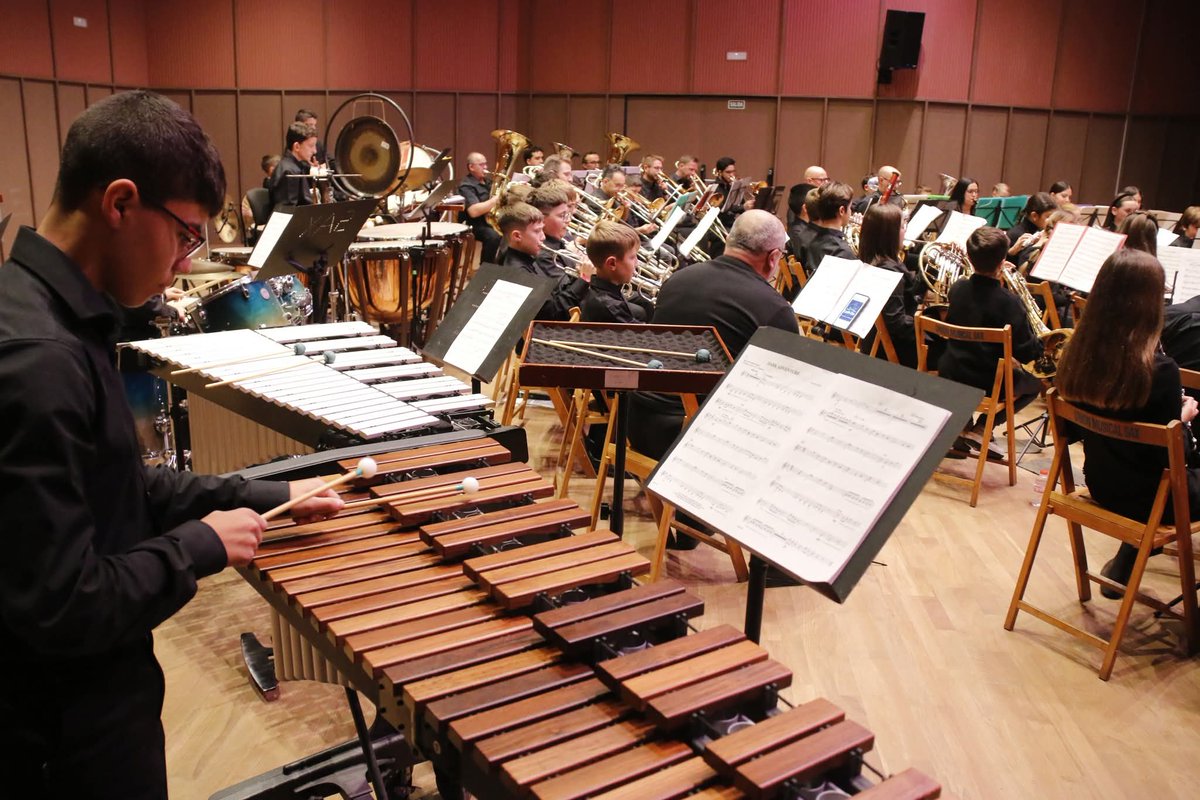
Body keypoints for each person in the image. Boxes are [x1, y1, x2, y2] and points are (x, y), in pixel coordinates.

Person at [0, 90, 344, 798]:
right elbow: (62, 605)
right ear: (121, 204)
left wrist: (268, 492)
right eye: (186, 234)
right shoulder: (39, 360)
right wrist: (198, 547)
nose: (188, 262)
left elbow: (120, 485)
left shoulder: (49, 312)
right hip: (64, 740)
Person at [1055, 248, 1199, 597]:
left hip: (1102, 483)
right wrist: (1181, 420)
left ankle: (1130, 556)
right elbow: (1175, 461)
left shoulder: (1075, 355)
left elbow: (1073, 432)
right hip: (1154, 500)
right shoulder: (1161, 370)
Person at [628, 210, 799, 462]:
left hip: (640, 421)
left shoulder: (677, 279)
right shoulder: (774, 308)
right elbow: (785, 389)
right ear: (773, 257)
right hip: (701, 440)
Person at [935, 226, 1043, 450]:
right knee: (1035, 383)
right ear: (1003, 259)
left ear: (970, 258)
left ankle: (963, 426)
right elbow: (1027, 353)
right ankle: (983, 427)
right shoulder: (1010, 302)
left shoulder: (958, 289)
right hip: (988, 383)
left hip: (952, 371)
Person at [497, 199, 589, 320]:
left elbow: (555, 295)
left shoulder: (527, 258)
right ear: (517, 236)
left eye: (542, 229)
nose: (543, 237)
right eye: (537, 231)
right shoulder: (519, 272)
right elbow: (553, 312)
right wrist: (584, 279)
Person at [856, 203, 917, 368]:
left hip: (873, 343)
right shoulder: (888, 272)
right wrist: (926, 323)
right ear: (890, 234)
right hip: (893, 352)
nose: (905, 231)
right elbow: (897, 324)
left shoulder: (871, 261)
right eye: (903, 227)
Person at [579, 221, 646, 323]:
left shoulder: (608, 291)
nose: (637, 263)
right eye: (632, 257)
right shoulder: (611, 307)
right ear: (612, 264)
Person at [801, 181, 855, 273]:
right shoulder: (841, 250)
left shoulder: (811, 241)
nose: (851, 212)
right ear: (842, 210)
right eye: (850, 207)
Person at [458, 151, 502, 263]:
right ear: (471, 167)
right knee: (493, 236)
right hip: (474, 224)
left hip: (490, 222)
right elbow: (474, 211)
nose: (486, 167)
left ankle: (501, 267)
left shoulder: (488, 182)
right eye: (481, 165)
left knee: (512, 230)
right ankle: (485, 271)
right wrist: (496, 199)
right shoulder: (466, 185)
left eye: (485, 164)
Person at [268, 122, 317, 208]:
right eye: (311, 146)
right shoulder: (289, 171)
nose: (315, 151)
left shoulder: (296, 166)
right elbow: (287, 211)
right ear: (297, 146)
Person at [713, 156, 754, 229]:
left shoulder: (733, 185)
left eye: (733, 171)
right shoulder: (715, 187)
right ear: (720, 172)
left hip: (733, 222)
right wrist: (742, 207)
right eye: (728, 172)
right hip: (721, 225)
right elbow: (722, 209)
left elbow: (740, 205)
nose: (732, 175)